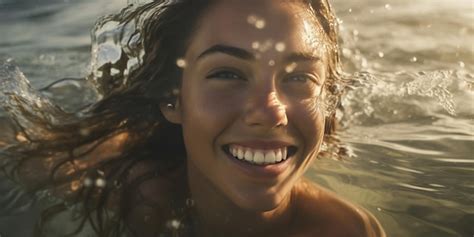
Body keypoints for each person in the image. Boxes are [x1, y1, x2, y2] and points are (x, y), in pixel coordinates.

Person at [0, 0, 386, 236]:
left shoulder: (344, 231)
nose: (270, 111)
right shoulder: (128, 187)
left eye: (300, 77)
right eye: (227, 74)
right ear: (173, 99)